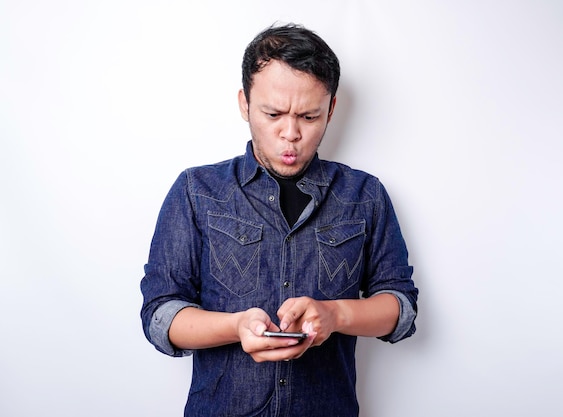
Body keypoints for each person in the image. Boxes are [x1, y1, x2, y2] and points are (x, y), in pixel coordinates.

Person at [140, 22, 419, 417]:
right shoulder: (195, 190)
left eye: (309, 116)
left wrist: (336, 314)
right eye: (273, 113)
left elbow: (401, 308)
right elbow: (160, 315)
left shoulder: (365, 195)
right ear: (244, 103)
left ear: (332, 109)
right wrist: (236, 326)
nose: (291, 134)